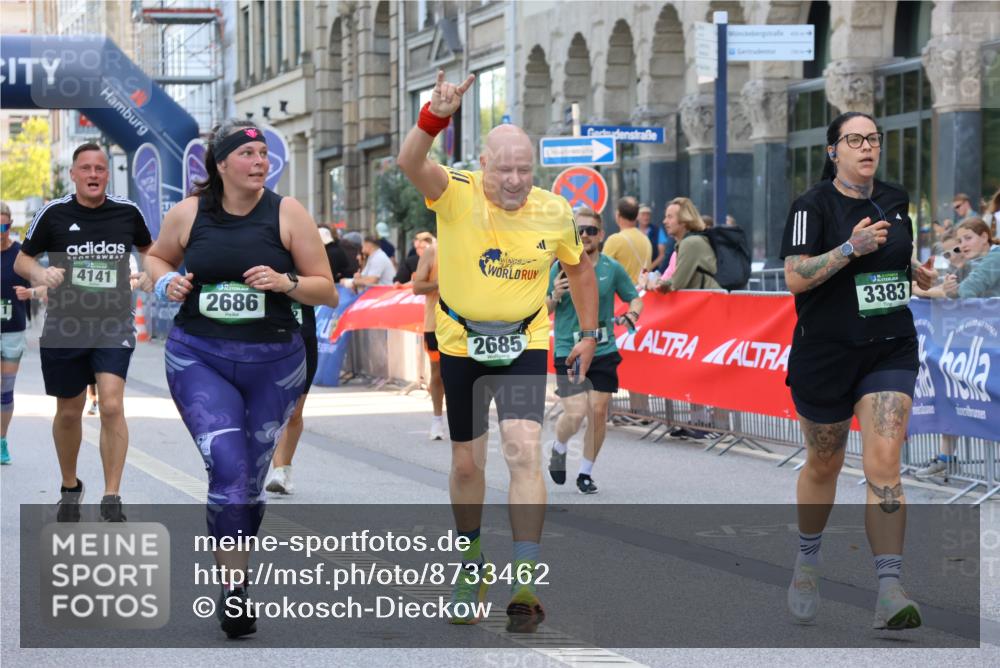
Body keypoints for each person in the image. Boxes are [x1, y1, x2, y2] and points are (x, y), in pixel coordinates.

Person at [397, 70, 598, 633]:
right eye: (504, 168)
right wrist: (434, 116)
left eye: (524, 169)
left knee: (522, 450)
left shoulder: (553, 210)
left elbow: (578, 269)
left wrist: (589, 331)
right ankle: (470, 565)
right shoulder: (455, 193)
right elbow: (411, 164)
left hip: (523, 341)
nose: (514, 180)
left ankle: (526, 583)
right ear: (483, 163)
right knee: (466, 463)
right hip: (461, 343)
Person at [144, 120, 336, 638]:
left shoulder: (288, 212)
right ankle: (234, 591)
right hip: (198, 356)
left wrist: (285, 281)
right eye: (247, 153)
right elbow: (156, 255)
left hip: (275, 362)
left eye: (262, 153)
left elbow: (327, 290)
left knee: (249, 481)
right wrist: (166, 280)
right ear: (222, 165)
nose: (259, 161)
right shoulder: (189, 213)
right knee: (227, 469)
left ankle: (232, 568)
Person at [780, 111, 934, 630]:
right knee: (824, 463)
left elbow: (891, 259)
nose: (866, 147)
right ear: (834, 151)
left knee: (885, 465)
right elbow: (796, 278)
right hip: (825, 353)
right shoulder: (812, 206)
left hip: (888, 348)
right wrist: (850, 248)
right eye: (854, 139)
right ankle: (807, 562)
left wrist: (915, 273)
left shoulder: (894, 198)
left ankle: (890, 589)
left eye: (873, 138)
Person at [14, 143, 153, 522]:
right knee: (69, 412)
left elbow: (152, 251)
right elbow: (22, 258)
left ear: (108, 174)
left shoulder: (127, 212)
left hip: (113, 321)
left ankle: (112, 495)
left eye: (100, 169)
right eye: (86, 168)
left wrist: (146, 273)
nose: (93, 175)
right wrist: (41, 274)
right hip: (65, 324)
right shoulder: (54, 214)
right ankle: (70, 485)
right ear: (73, 174)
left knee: (110, 404)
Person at [546, 207, 642, 494]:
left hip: (602, 348)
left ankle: (585, 473)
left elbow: (634, 298)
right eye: (580, 230)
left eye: (591, 231)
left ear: (601, 235)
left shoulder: (611, 268)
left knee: (598, 411)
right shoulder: (560, 266)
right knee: (575, 414)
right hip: (569, 348)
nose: (585, 235)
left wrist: (633, 315)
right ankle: (559, 446)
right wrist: (556, 294)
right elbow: (543, 309)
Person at [1, 202, 31, 464]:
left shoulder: (20, 255)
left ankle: (2, 441)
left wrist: (28, 293)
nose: (0, 231)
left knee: (6, 390)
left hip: (12, 329)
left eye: (4, 225)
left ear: (10, 225)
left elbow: (37, 284)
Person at [410, 231, 446, 440]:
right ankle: (437, 421)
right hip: (436, 324)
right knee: (438, 373)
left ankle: (466, 421)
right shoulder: (433, 252)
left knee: (464, 374)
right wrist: (439, 284)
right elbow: (417, 287)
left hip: (466, 323)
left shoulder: (474, 247)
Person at [655, 197, 720, 293]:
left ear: (684, 220)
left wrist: (653, 283)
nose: (664, 221)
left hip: (711, 303)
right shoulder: (692, 241)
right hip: (710, 301)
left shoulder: (690, 243)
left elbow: (675, 284)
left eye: (670, 217)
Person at [942, 218, 1000, 298]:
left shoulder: (997, 256)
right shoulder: (973, 262)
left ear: (984, 237)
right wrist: (950, 289)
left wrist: (923, 292)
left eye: (968, 238)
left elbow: (967, 289)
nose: (963, 245)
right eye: (960, 241)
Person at [602, 196, 652, 283]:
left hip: (621, 295)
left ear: (617, 215)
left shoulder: (614, 240)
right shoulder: (646, 239)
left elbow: (602, 272)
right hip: (641, 294)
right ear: (637, 216)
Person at [638, 204, 667, 271]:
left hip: (652, 272)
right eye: (643, 214)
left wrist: (648, 268)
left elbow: (662, 255)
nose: (646, 217)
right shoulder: (633, 230)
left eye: (648, 214)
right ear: (637, 216)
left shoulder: (658, 231)